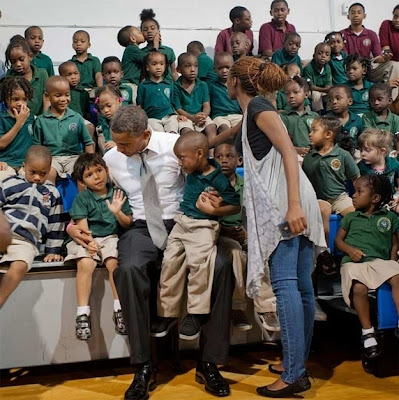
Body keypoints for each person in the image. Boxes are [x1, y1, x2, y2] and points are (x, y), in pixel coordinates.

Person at [67, 105, 234, 399]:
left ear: (145, 134)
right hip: (141, 226)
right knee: (128, 268)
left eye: (125, 143)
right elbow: (94, 196)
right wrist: (73, 226)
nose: (118, 148)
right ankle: (144, 364)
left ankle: (208, 362)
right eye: (116, 142)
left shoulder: (176, 148)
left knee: (220, 263)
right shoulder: (112, 158)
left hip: (184, 221)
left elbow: (209, 181)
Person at [227, 56, 325, 397]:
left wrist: (293, 205)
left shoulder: (257, 106)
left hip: (287, 202)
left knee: (286, 286)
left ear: (235, 82)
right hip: (295, 198)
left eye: (227, 77)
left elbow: (286, 151)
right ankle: (295, 362)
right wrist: (201, 144)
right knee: (301, 286)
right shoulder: (256, 108)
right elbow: (233, 132)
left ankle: (294, 373)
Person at [157, 132, 240, 340]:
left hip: (204, 225)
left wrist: (213, 212)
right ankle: (168, 313)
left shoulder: (219, 179)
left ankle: (196, 313)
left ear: (199, 154)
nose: (179, 163)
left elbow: (235, 205)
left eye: (182, 158)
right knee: (169, 263)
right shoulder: (191, 169)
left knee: (199, 265)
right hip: (182, 222)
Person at [214, 140, 280, 332]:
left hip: (245, 232)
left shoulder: (248, 186)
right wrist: (224, 231)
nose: (224, 161)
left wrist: (247, 233)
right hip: (220, 236)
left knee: (261, 253)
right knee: (236, 254)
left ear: (240, 160)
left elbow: (257, 215)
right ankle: (237, 308)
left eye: (229, 156)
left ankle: (267, 308)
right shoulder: (211, 184)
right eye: (219, 157)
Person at [65, 153, 133, 340]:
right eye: (89, 175)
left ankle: (120, 310)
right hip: (88, 237)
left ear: (106, 170)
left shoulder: (118, 193)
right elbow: (82, 226)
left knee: (113, 263)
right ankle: (82, 313)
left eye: (99, 170)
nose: (97, 176)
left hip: (111, 237)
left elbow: (127, 223)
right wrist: (90, 243)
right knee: (86, 264)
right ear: (82, 181)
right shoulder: (83, 198)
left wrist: (117, 212)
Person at [335, 174, 399, 357]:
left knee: (397, 275)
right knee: (359, 288)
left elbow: (395, 244)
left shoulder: (390, 218)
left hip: (380, 262)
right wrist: (349, 250)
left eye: (359, 191)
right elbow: (338, 241)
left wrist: (392, 262)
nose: (353, 195)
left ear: (375, 198)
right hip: (354, 263)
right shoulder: (351, 218)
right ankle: (367, 332)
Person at [0, 145, 64, 308]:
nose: (37, 177)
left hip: (27, 241)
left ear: (49, 170)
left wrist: (53, 250)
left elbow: (56, 223)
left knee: (21, 264)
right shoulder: (10, 183)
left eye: (43, 173)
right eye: (32, 172)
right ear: (24, 166)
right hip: (4, 233)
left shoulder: (52, 193)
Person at [303, 116, 360, 274]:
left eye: (314, 130)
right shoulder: (309, 157)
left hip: (339, 197)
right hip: (319, 199)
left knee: (356, 217)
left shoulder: (342, 155)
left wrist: (361, 200)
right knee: (323, 211)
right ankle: (324, 253)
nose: (310, 134)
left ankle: (354, 250)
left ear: (328, 134)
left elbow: (357, 180)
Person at [32, 76, 94, 183]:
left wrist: (90, 162)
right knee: (49, 174)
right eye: (58, 95)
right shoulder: (41, 121)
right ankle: (49, 198)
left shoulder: (76, 117)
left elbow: (88, 142)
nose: (63, 99)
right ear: (47, 96)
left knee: (83, 173)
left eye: (67, 95)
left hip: (74, 157)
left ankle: (83, 199)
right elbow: (37, 148)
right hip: (52, 159)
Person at [341, 3, 399, 85]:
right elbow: (344, 56)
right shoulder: (342, 34)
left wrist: (384, 59)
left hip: (368, 69)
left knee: (395, 65)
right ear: (348, 16)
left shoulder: (371, 34)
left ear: (364, 16)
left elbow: (377, 57)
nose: (356, 15)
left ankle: (387, 92)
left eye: (359, 12)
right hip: (350, 68)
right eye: (353, 13)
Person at [173, 52, 218, 144]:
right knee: (186, 130)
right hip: (185, 117)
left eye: (196, 66)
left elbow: (206, 105)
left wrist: (203, 116)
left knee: (211, 127)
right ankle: (191, 155)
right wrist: (192, 118)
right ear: (179, 69)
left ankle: (211, 154)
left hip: (200, 116)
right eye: (187, 66)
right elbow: (178, 108)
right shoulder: (175, 86)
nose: (193, 69)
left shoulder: (203, 85)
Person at [0, 77, 35, 181]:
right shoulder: (2, 118)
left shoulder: (32, 119)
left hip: (26, 165)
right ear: (7, 99)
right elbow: (1, 144)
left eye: (24, 99)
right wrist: (19, 123)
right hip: (5, 163)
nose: (21, 103)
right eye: (16, 99)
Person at [136, 51, 180, 134]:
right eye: (154, 64)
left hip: (169, 116)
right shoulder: (143, 86)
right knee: (159, 135)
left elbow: (174, 105)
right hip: (152, 118)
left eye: (161, 64)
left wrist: (179, 115)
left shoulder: (170, 85)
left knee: (173, 131)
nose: (158, 67)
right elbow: (140, 106)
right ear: (147, 67)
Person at [5, 37, 48, 116]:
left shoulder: (42, 74)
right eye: (13, 62)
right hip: (17, 118)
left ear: (30, 57)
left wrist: (44, 118)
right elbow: (8, 99)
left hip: (39, 119)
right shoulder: (10, 75)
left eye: (21, 59)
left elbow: (46, 97)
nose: (18, 64)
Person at [280, 76, 319, 156]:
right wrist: (296, 150)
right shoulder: (283, 117)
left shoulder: (314, 116)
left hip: (313, 155)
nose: (291, 96)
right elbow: (281, 141)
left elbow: (320, 139)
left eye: (296, 92)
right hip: (292, 155)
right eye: (287, 94)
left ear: (306, 94)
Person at [139, 9, 178, 82]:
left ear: (158, 31)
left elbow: (174, 72)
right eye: (145, 29)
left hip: (168, 87)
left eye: (152, 28)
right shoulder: (141, 53)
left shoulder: (169, 51)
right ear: (141, 33)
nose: (149, 31)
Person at [357, 128, 399, 195]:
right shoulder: (360, 168)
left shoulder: (394, 164)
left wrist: (397, 196)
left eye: (367, 150)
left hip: (391, 200)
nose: (362, 154)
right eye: (361, 150)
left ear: (382, 151)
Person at [208, 52, 242, 134]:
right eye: (220, 68)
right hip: (220, 117)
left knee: (244, 126)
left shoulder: (238, 84)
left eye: (228, 67)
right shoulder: (211, 85)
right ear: (214, 69)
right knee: (223, 128)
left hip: (237, 115)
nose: (224, 71)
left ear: (233, 67)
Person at [58, 61, 93, 135]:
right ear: (61, 77)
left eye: (76, 73)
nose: (73, 77)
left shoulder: (84, 93)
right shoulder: (60, 93)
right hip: (64, 120)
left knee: (90, 128)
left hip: (80, 120)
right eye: (69, 75)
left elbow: (87, 113)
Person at [117, 25, 148, 93]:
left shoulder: (131, 49)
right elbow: (149, 59)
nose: (142, 33)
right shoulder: (132, 49)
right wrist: (155, 45)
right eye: (139, 33)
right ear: (133, 39)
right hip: (129, 85)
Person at [303, 43, 332, 112]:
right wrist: (324, 90)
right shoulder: (308, 68)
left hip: (322, 90)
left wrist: (327, 89)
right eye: (320, 53)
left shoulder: (327, 68)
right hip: (310, 91)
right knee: (316, 94)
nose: (323, 56)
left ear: (329, 58)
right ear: (314, 56)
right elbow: (311, 86)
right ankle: (318, 113)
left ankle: (330, 113)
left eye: (327, 54)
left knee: (332, 93)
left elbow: (328, 85)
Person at [94, 85, 123, 154]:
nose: (106, 110)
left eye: (109, 106)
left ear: (119, 101)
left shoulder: (126, 120)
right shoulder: (103, 122)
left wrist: (117, 145)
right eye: (101, 108)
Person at [379, 4, 399, 100]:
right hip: (385, 63)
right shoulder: (386, 24)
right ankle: (390, 100)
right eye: (395, 16)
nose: (397, 20)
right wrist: (386, 54)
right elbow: (386, 48)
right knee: (395, 66)